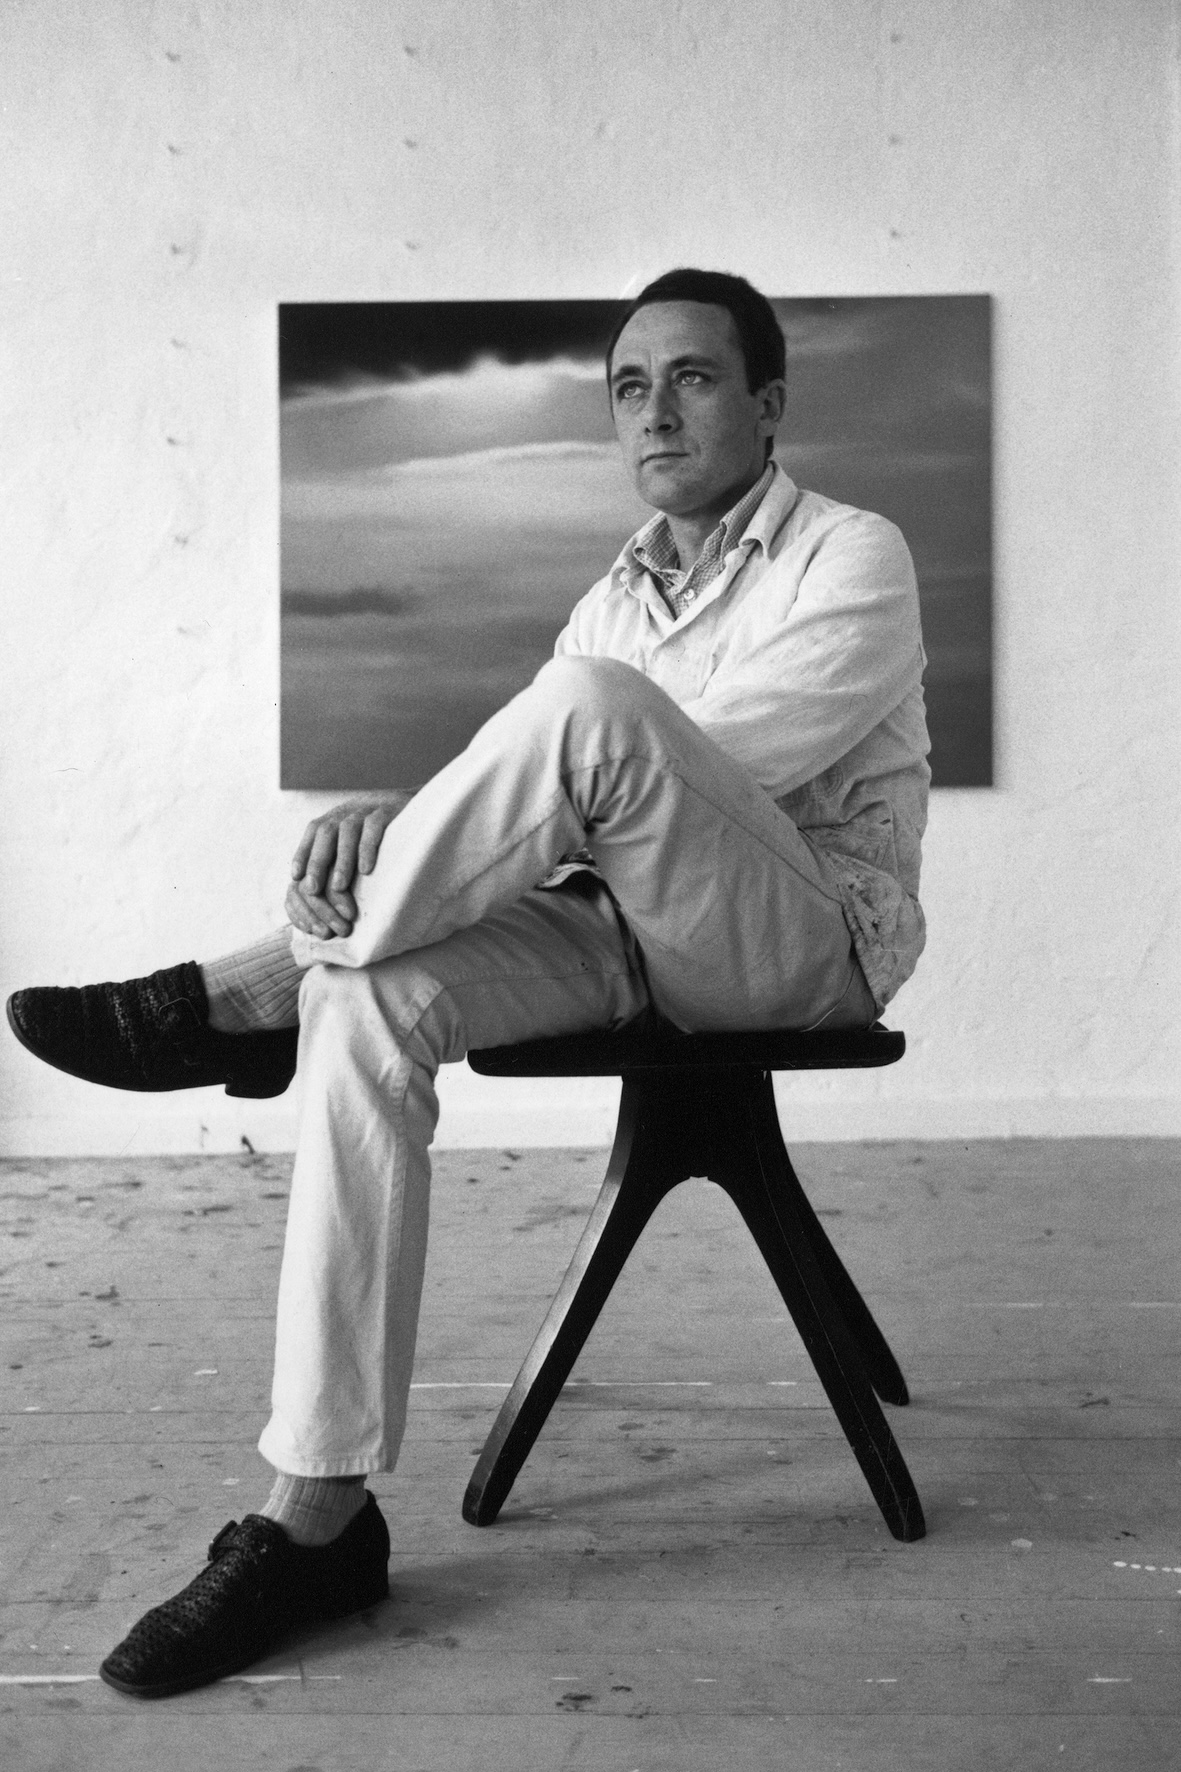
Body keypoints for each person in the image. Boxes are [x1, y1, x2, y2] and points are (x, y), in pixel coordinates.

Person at [7, 268, 930, 1698]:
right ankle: (316, 1514)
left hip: (800, 949)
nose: (655, 411)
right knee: (367, 1002)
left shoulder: (853, 554)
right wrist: (416, 816)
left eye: (691, 378)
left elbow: (711, 760)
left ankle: (238, 993)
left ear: (767, 405)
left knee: (587, 711)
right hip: (625, 930)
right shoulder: (609, 599)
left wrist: (477, 805)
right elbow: (540, 801)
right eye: (629, 387)